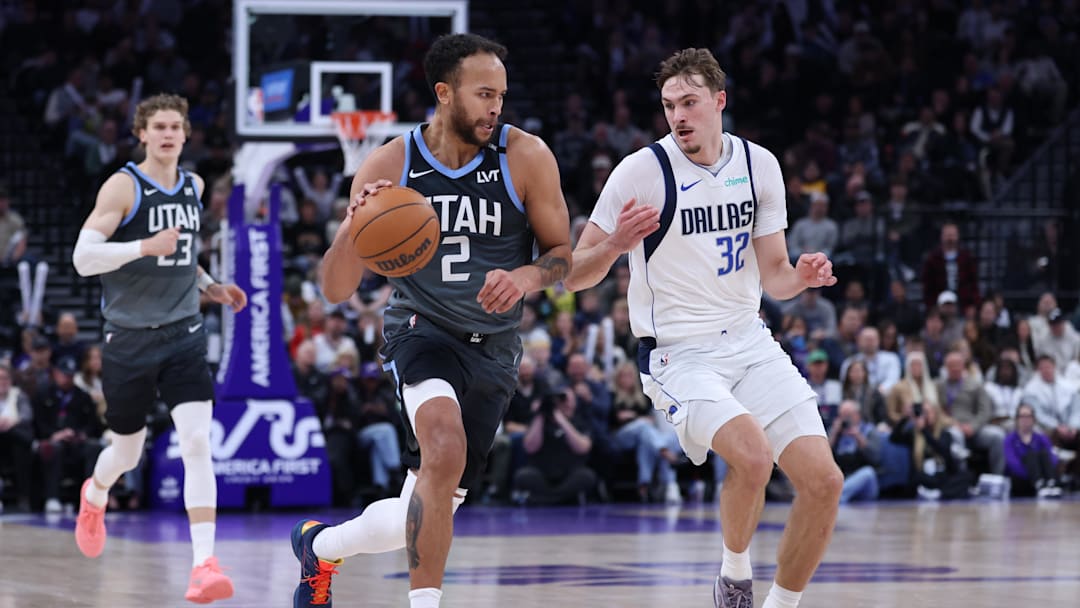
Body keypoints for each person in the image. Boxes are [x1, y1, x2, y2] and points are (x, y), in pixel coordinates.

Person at [290, 33, 571, 608]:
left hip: (494, 349)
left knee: (418, 511)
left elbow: (561, 254)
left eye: (501, 95)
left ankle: (320, 546)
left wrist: (525, 277)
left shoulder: (526, 156)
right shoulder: (392, 162)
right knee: (442, 450)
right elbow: (336, 290)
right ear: (445, 93)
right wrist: (354, 223)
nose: (496, 107)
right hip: (422, 331)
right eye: (484, 94)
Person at [563, 48, 842, 608]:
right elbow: (572, 275)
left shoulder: (759, 164)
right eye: (669, 105)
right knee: (754, 456)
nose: (677, 116)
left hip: (749, 340)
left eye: (689, 102)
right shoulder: (642, 171)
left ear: (719, 101)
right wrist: (616, 244)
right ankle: (734, 579)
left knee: (825, 482)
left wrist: (802, 277)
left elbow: (775, 275)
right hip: (678, 354)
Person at [70, 93, 247, 604]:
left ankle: (204, 564)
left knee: (197, 442)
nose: (168, 134)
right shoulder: (123, 186)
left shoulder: (194, 186)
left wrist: (210, 286)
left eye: (175, 126)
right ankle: (95, 493)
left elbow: (183, 256)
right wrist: (142, 247)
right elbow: (83, 258)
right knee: (126, 453)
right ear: (142, 134)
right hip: (128, 340)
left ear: (186, 134)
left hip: (183, 334)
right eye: (159, 127)